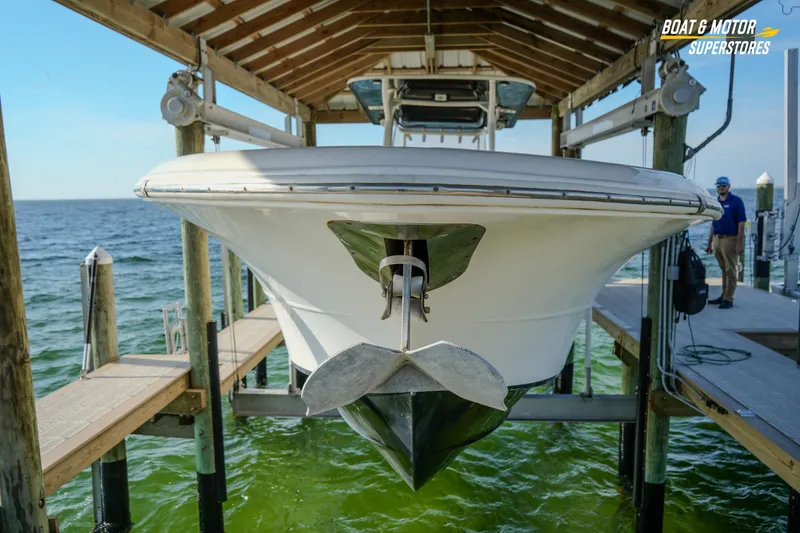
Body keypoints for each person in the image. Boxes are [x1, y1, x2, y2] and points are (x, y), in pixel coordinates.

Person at [705, 176, 746, 308]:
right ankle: (723, 295)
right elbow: (713, 223)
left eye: (723, 185)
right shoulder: (716, 202)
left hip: (730, 238)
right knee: (724, 270)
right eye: (718, 185)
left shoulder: (736, 201)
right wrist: (709, 242)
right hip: (717, 238)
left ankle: (729, 298)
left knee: (731, 270)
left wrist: (739, 242)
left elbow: (741, 223)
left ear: (728, 186)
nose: (721, 187)